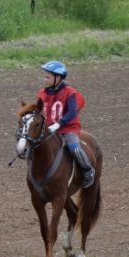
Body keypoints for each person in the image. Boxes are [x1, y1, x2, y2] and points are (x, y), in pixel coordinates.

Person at [37, 60, 95, 188]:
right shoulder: (42, 93)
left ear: (58, 78)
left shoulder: (70, 92)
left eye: (47, 77)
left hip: (68, 128)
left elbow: (72, 112)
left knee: (74, 147)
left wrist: (58, 124)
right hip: (48, 129)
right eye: (44, 76)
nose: (44, 80)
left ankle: (88, 171)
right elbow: (39, 111)